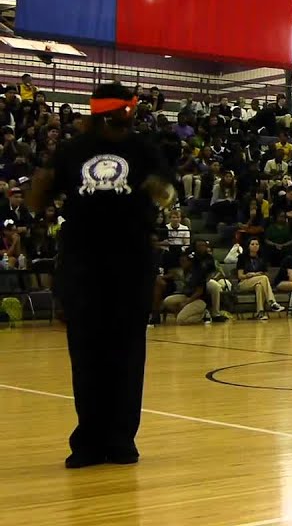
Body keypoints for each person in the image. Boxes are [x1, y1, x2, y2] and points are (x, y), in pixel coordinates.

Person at [28, 82, 177, 468]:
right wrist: (42, 182)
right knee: (89, 355)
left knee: (123, 354)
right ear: (124, 110)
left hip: (129, 264)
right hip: (85, 264)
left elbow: (167, 194)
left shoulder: (143, 149)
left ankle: (120, 440)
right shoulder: (73, 150)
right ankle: (91, 442)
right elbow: (37, 200)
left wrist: (159, 189)